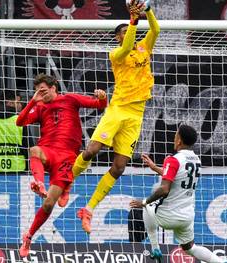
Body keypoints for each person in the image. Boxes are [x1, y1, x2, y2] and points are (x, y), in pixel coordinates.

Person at [71, 0, 160, 234]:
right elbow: (130, 39)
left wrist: (147, 10)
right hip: (118, 109)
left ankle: (88, 208)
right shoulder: (117, 54)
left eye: (128, 30)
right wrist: (133, 19)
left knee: (119, 167)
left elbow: (156, 30)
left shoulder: (143, 48)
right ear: (117, 38)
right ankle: (66, 181)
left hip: (136, 114)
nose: (128, 34)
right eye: (122, 32)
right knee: (91, 150)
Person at [16, 73, 107, 258]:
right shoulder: (40, 106)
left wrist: (103, 97)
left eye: (43, 90)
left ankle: (29, 234)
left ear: (53, 87)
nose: (41, 94)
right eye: (37, 91)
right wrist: (33, 101)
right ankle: (40, 183)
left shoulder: (70, 99)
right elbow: (20, 121)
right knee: (34, 150)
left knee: (49, 203)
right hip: (48, 151)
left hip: (66, 158)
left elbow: (99, 105)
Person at [130, 125, 227, 263]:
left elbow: (164, 188)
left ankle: (155, 248)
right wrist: (154, 167)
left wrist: (144, 202)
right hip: (186, 216)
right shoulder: (196, 160)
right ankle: (222, 262)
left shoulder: (173, 159)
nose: (174, 138)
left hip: (168, 216)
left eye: (176, 135)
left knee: (145, 206)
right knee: (190, 248)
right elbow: (177, 177)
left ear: (179, 141)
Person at [0, 90, 27, 173]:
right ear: (9, 103)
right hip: (17, 168)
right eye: (17, 102)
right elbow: (28, 146)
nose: (20, 105)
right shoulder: (20, 120)